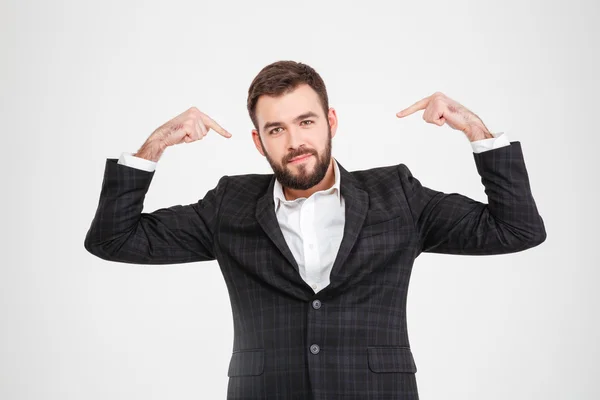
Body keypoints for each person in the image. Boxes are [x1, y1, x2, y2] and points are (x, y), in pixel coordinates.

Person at [84, 60, 546, 399]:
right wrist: (154, 147)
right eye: (276, 130)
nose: (294, 142)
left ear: (330, 123)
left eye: (305, 122)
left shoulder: (396, 194)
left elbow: (516, 229)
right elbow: (113, 238)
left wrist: (476, 132)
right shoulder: (230, 204)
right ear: (258, 141)